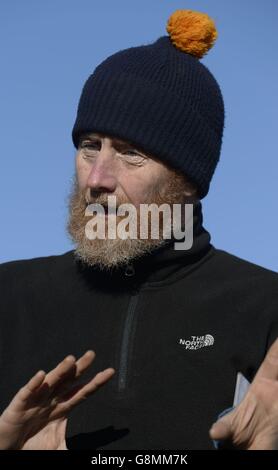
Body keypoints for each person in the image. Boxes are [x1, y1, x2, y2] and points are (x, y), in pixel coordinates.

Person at [0, 9, 277, 451]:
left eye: (131, 153)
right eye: (90, 147)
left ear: (186, 181)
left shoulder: (265, 308)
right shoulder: (9, 296)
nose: (96, 179)